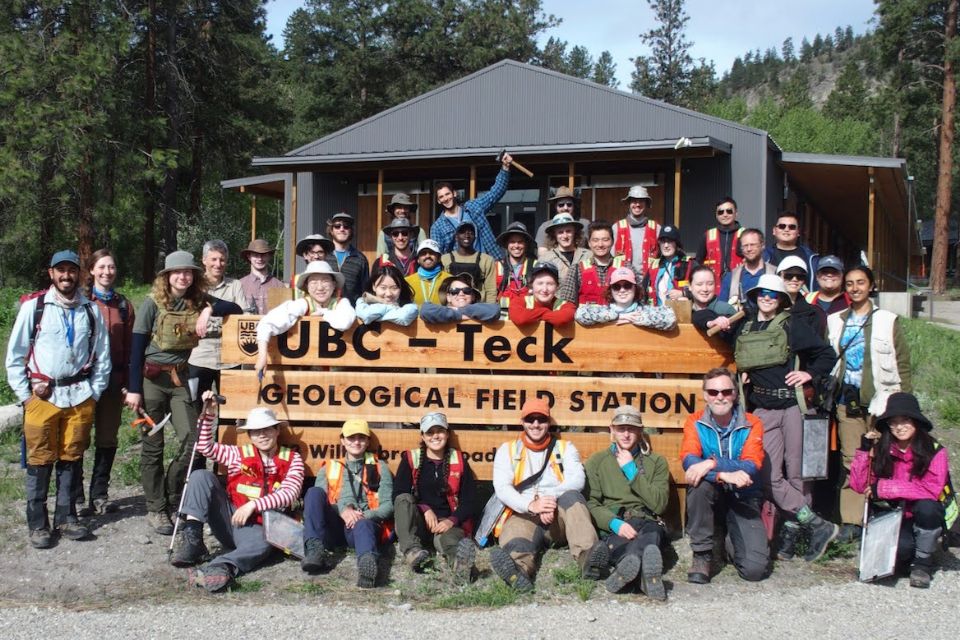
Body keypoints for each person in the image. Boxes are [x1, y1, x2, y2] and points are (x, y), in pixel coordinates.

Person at [125, 251, 240, 535]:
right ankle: (156, 508)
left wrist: (208, 309)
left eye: (188, 273)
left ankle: (172, 493)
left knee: (194, 438)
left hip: (179, 380)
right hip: (151, 381)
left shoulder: (198, 299)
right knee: (153, 447)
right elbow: (136, 350)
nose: (183, 277)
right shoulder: (151, 304)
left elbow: (235, 309)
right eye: (177, 273)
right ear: (167, 276)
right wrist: (135, 390)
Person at [6, 250, 111, 547]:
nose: (66, 276)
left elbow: (102, 356)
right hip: (42, 398)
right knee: (39, 459)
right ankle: (38, 524)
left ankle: (66, 518)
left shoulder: (91, 310)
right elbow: (14, 356)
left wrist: (95, 392)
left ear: (79, 274)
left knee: (72, 456)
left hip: (79, 396)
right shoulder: (35, 307)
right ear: (51, 273)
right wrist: (25, 396)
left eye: (71, 270)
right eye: (60, 270)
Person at [734, 274, 838, 562]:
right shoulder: (745, 326)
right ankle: (817, 525)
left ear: (780, 299)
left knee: (798, 474)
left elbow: (826, 355)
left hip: (793, 405)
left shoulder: (792, 325)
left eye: (773, 294)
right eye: (762, 293)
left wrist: (810, 374)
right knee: (768, 475)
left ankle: (792, 539)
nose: (767, 298)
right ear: (755, 296)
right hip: (763, 408)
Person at [171, 397, 304, 593]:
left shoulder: (293, 459)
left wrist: (253, 505)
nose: (262, 435)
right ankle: (193, 540)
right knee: (200, 476)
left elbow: (290, 493)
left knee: (263, 546)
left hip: (261, 527)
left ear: (277, 430)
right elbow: (204, 447)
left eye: (267, 429)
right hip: (229, 518)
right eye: (256, 431)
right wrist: (209, 415)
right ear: (250, 435)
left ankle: (220, 567)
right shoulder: (237, 454)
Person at [827, 265, 912, 541]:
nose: (854, 288)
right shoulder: (835, 321)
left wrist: (904, 404)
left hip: (882, 401)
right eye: (850, 283)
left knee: (886, 457)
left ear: (871, 285)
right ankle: (852, 520)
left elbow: (902, 363)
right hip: (846, 401)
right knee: (853, 459)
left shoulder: (888, 320)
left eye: (860, 282)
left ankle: (887, 512)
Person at [489, 398, 607, 590]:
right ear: (522, 422)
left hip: (558, 517)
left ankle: (589, 558)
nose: (536, 424)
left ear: (549, 422)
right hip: (524, 514)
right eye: (530, 419)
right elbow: (502, 487)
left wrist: (549, 500)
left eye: (541, 419)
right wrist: (531, 505)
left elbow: (577, 480)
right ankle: (518, 572)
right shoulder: (507, 450)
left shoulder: (565, 448)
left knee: (573, 497)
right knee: (516, 539)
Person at [850, 393, 947, 589]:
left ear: (916, 422)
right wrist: (863, 451)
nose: (899, 427)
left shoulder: (936, 450)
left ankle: (923, 564)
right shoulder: (882, 449)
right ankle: (914, 551)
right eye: (893, 423)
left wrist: (885, 488)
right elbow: (859, 485)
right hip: (895, 515)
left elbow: (932, 490)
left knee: (928, 507)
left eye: (905, 421)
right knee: (901, 553)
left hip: (921, 512)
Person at [681, 368, 768, 584]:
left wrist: (712, 463)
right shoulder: (695, 422)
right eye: (713, 392)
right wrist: (722, 475)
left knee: (754, 571)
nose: (720, 397)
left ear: (735, 393)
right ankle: (702, 554)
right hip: (712, 495)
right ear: (704, 395)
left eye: (726, 392)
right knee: (698, 484)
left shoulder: (752, 423)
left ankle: (730, 540)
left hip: (743, 496)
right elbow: (689, 462)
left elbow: (751, 465)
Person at [585, 405, 670, 598]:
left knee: (649, 540)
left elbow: (659, 504)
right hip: (617, 520)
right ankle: (646, 580)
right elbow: (591, 503)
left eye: (631, 429)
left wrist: (631, 470)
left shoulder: (656, 462)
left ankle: (628, 573)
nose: (626, 434)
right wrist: (614, 523)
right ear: (612, 430)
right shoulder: (597, 461)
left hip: (648, 520)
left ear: (640, 431)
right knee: (631, 543)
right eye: (621, 429)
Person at [301, 419, 394, 589]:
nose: (356, 442)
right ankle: (315, 549)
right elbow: (319, 505)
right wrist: (343, 511)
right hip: (334, 527)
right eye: (351, 438)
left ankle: (367, 564)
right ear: (342, 440)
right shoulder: (329, 467)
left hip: (362, 528)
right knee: (313, 493)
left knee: (363, 525)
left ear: (367, 441)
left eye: (361, 437)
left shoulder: (381, 467)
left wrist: (362, 516)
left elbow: (388, 507)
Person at [78, 249, 134, 516]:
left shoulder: (124, 306)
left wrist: (128, 383)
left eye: (111, 267)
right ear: (91, 270)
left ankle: (99, 494)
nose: (106, 272)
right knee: (76, 436)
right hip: (81, 383)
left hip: (113, 381)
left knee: (107, 438)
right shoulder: (79, 302)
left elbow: (132, 348)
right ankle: (75, 495)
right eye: (101, 267)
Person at [392, 412, 479, 582]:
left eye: (440, 431)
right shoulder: (411, 458)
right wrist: (424, 509)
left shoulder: (459, 459)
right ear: (423, 436)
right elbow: (398, 494)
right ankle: (412, 552)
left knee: (449, 542)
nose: (435, 436)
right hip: (418, 523)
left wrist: (451, 520)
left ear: (447, 433)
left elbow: (470, 500)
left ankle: (461, 566)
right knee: (403, 499)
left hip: (446, 524)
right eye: (430, 432)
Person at [255, 260, 356, 377]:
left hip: (337, 377)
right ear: (307, 286)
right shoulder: (302, 304)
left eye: (325, 281)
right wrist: (262, 357)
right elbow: (266, 324)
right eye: (313, 282)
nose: (320, 287)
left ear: (334, 284)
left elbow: (345, 322)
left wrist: (323, 313)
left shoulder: (341, 303)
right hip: (307, 376)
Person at [188, 240, 249, 402]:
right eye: (213, 259)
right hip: (200, 356)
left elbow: (244, 314)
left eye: (222, 259)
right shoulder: (193, 286)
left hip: (229, 358)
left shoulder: (235, 285)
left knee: (230, 408)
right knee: (197, 405)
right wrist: (227, 313)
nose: (218, 264)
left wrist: (211, 310)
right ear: (204, 260)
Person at [430, 154, 513, 260]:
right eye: (441, 197)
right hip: (460, 271)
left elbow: (495, 193)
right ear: (438, 201)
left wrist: (505, 167)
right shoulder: (437, 227)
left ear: (454, 193)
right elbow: (438, 255)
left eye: (447, 194)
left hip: (489, 262)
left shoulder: (473, 207)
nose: (446, 198)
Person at [574, 267, 676, 331]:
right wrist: (617, 316)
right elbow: (580, 314)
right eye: (616, 287)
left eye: (627, 285)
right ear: (611, 290)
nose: (622, 290)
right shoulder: (605, 310)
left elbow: (670, 318)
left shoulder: (645, 310)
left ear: (635, 288)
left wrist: (637, 319)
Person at [559, 221, 626, 306]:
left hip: (619, 319)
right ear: (589, 243)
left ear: (612, 241)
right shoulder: (576, 270)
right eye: (595, 240)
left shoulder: (625, 267)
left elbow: (638, 299)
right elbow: (566, 302)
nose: (600, 244)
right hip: (584, 319)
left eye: (605, 240)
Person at [719, 228, 776, 316]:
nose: (749, 249)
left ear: (762, 245)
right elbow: (721, 308)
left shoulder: (775, 273)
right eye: (745, 245)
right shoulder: (731, 277)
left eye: (753, 245)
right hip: (738, 326)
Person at [696, 196, 744, 293]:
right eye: (720, 212)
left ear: (736, 213)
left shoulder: (745, 234)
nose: (725, 215)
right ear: (716, 215)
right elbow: (698, 263)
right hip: (712, 290)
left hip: (738, 289)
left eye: (729, 211)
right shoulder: (708, 235)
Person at [441, 221, 497, 303]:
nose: (467, 235)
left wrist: (489, 310)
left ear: (475, 237)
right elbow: (442, 289)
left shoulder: (487, 260)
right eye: (462, 232)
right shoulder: (445, 259)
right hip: (453, 308)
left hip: (478, 309)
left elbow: (491, 289)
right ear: (456, 237)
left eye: (470, 233)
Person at [613, 185, 661, 281]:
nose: (637, 205)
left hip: (650, 280)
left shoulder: (656, 228)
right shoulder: (617, 228)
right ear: (629, 203)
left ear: (646, 204)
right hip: (624, 282)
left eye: (641, 201)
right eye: (634, 201)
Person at [508, 261, 576, 328]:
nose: (544, 289)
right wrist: (545, 312)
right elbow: (521, 318)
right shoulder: (518, 302)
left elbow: (561, 319)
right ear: (532, 285)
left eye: (550, 284)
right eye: (540, 283)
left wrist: (534, 315)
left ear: (557, 287)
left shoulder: (566, 305)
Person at [762, 212, 819, 289]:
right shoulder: (763, 256)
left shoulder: (811, 258)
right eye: (782, 226)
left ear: (798, 232)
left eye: (792, 227)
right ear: (774, 231)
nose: (786, 229)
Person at [643, 225, 694, 306]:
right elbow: (643, 291)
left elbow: (702, 292)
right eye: (663, 241)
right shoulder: (654, 265)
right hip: (656, 313)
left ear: (677, 243)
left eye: (670, 241)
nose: (666, 245)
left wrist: (684, 293)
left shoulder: (689, 264)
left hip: (679, 314)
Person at [420, 273, 501, 324]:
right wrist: (458, 315)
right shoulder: (441, 310)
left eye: (466, 290)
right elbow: (426, 311)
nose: (461, 293)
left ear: (473, 296)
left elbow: (494, 311)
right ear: (448, 297)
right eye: (455, 291)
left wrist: (459, 310)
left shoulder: (481, 309)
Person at [325, 212, 369, 304]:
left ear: (351, 231)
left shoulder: (360, 259)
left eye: (346, 226)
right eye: (337, 226)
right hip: (326, 312)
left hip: (352, 313)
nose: (342, 229)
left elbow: (365, 291)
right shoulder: (324, 256)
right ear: (331, 230)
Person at [494, 221, 537, 314]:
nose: (516, 246)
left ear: (526, 244)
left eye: (520, 242)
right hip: (502, 319)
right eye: (512, 242)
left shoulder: (536, 266)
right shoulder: (496, 266)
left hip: (528, 317)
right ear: (506, 245)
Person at [535, 186, 591, 257]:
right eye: (561, 205)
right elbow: (542, 252)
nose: (565, 208)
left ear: (574, 206)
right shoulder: (545, 226)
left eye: (569, 204)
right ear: (555, 206)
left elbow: (593, 246)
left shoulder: (585, 224)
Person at [777, 256, 826, 335]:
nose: (794, 279)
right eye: (789, 275)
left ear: (804, 281)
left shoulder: (813, 313)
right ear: (779, 276)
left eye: (800, 276)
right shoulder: (768, 307)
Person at [689, 266, 740, 339]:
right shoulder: (684, 310)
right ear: (690, 286)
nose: (705, 289)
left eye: (710, 284)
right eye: (699, 284)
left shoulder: (725, 309)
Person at [239, 238, 285, 315]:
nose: (260, 259)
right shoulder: (239, 285)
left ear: (269, 256)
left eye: (263, 255)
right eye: (255, 255)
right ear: (249, 257)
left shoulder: (280, 286)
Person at [540, 213, 590, 283]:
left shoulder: (588, 255)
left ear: (575, 232)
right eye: (560, 232)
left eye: (568, 231)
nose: (565, 236)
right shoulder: (546, 259)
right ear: (554, 234)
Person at [405, 239, 452, 306]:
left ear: (439, 258)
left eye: (432, 252)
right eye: (423, 253)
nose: (427, 256)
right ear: (418, 259)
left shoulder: (450, 280)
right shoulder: (407, 282)